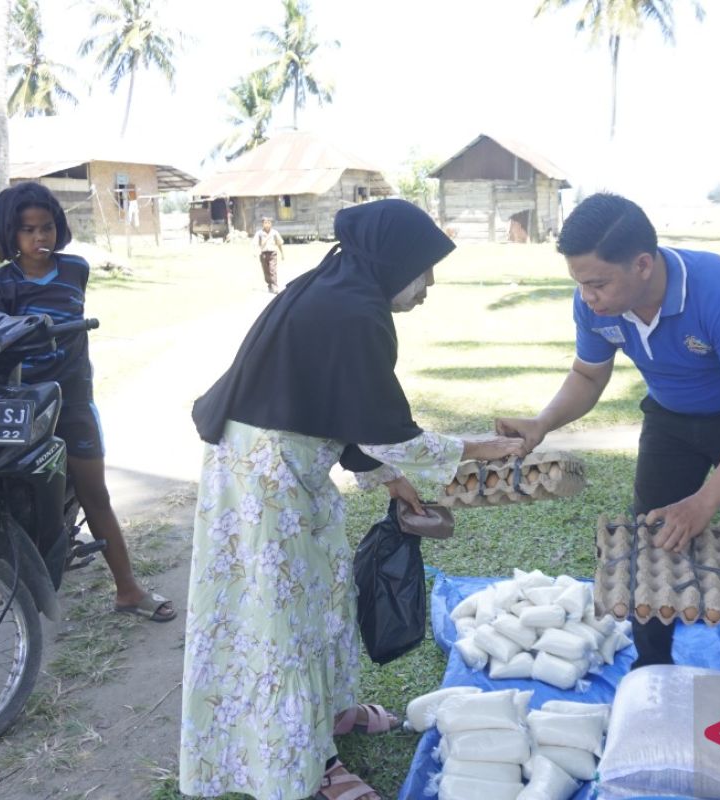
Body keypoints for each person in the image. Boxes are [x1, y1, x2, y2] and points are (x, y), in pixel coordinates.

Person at [181, 199, 524, 800]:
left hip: (294, 463)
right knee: (282, 619)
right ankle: (306, 765)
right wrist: (481, 447)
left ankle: (332, 711)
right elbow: (386, 430)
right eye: (425, 269)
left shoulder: (343, 292)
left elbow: (344, 400)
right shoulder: (350, 309)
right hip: (264, 475)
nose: (430, 285)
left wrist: (391, 479)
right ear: (396, 262)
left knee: (323, 590)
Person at [496, 193, 720, 675]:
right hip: (670, 417)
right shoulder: (594, 303)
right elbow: (589, 376)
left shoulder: (713, 290)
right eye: (581, 284)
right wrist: (541, 423)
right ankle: (653, 666)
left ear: (643, 265)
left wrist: (704, 501)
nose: (588, 297)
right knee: (650, 541)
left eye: (597, 284)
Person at [0, 181, 174, 622]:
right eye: (27, 230)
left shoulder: (75, 269)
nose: (39, 238)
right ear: (10, 234)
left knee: (95, 494)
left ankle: (128, 589)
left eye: (46, 228)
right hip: (21, 407)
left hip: (73, 403)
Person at [256, 216, 285, 292]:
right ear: (262, 224)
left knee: (272, 270)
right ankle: (269, 285)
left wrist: (282, 254)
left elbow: (279, 243)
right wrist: (256, 252)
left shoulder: (274, 233)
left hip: (272, 253)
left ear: (271, 224)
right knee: (266, 271)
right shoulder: (259, 233)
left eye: (269, 223)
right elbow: (256, 244)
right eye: (265, 223)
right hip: (263, 254)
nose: (267, 224)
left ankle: (275, 286)